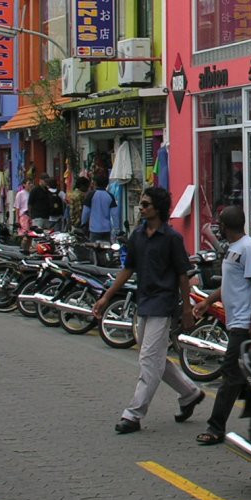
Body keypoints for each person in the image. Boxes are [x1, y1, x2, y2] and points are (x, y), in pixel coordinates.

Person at [91, 185, 206, 434]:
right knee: (154, 358)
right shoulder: (138, 236)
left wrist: (187, 309)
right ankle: (190, 393)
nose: (141, 208)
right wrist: (106, 297)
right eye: (141, 204)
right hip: (143, 302)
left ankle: (133, 414)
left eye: (145, 205)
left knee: (147, 359)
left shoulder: (172, 238)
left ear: (158, 209)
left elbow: (182, 275)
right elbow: (128, 269)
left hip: (163, 305)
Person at [196, 205, 251, 446]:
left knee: (230, 375)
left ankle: (216, 427)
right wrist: (207, 302)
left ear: (224, 226)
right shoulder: (233, 249)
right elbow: (230, 285)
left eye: (219, 224)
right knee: (245, 378)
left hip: (244, 324)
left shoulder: (249, 248)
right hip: (235, 322)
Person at [85, 173, 120, 248]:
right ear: (107, 184)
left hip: (94, 229)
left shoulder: (91, 195)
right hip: (106, 230)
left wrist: (83, 223)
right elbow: (115, 214)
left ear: (96, 183)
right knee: (106, 250)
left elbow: (86, 212)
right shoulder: (110, 196)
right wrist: (117, 229)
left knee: (93, 250)